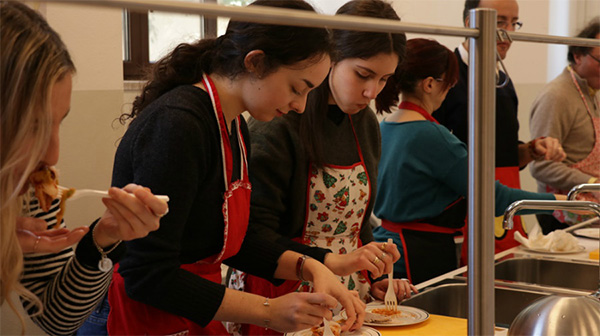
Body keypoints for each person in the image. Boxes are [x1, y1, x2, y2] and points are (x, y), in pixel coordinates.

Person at [106, 1, 366, 335]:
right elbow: (147, 274)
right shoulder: (179, 126)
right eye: (296, 88)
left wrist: (311, 266)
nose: (300, 105)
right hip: (152, 318)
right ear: (256, 62)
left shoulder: (234, 127)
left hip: (197, 311)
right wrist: (268, 310)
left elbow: (233, 240)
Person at [227, 1, 414, 335]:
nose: (372, 92)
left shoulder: (366, 123)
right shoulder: (279, 121)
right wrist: (323, 265)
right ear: (331, 56)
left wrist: (376, 276)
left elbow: (358, 223)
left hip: (345, 291)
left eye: (384, 79)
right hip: (280, 290)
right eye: (363, 75)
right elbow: (253, 236)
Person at [0, 2, 167, 335]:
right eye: (31, 126)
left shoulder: (29, 189)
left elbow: (57, 318)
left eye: (59, 123)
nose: (53, 155)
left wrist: (102, 240)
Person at [372, 38, 562, 284]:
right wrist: (564, 201)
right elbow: (495, 199)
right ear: (430, 84)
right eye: (450, 85)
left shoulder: (384, 126)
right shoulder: (432, 136)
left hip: (383, 249)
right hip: (420, 255)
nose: (449, 92)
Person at [432, 0, 565, 257]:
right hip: (459, 220)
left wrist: (531, 150)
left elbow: (502, 154)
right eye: (500, 22)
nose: (508, 33)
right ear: (473, 23)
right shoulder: (446, 77)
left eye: (514, 23)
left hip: (502, 211)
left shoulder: (502, 78)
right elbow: (439, 155)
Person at [530, 18, 600, 233]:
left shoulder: (591, 92)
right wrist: (591, 183)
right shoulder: (557, 96)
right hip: (562, 213)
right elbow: (541, 165)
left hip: (588, 207)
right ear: (578, 56)